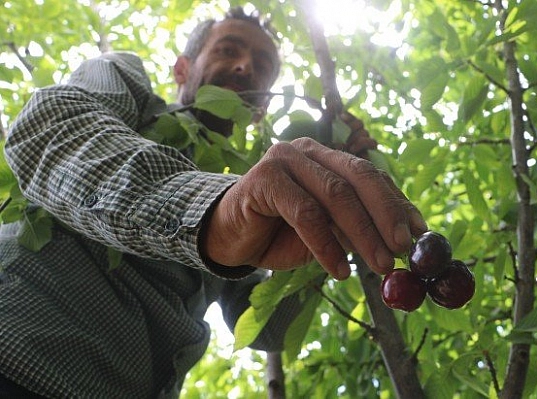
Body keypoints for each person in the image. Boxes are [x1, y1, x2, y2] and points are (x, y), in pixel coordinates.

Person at [0, 6, 427, 398]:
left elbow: (269, 329)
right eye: (228, 50)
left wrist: (323, 220)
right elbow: (51, 127)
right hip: (19, 353)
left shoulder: (247, 196)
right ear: (182, 69)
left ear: (258, 113)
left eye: (262, 66)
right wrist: (212, 215)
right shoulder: (129, 83)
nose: (245, 67)